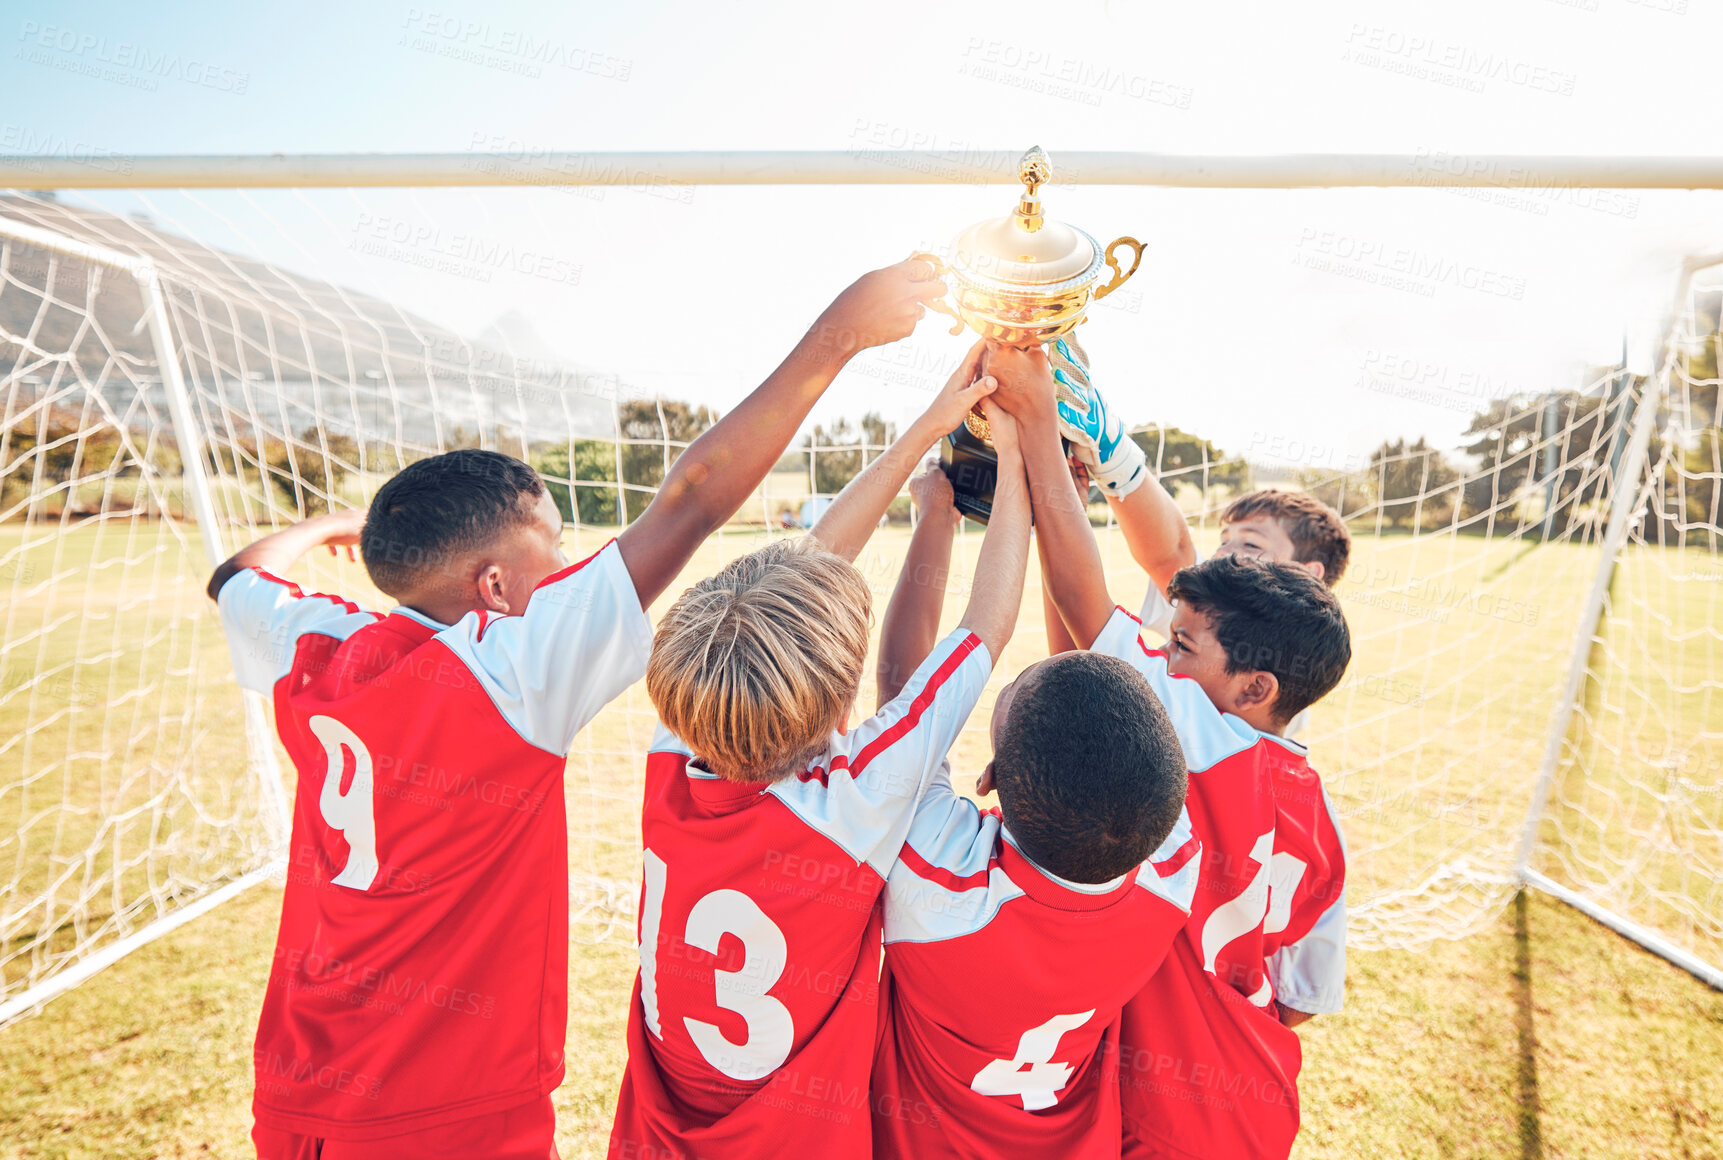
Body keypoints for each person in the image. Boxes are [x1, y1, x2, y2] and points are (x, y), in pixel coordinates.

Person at [211, 258, 948, 1160]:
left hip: (297, 1092)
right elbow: (691, 499)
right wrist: (839, 335)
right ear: (491, 585)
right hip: (444, 1113)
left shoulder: (315, 645)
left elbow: (237, 575)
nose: (566, 572)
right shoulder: (507, 671)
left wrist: (328, 533)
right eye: (551, 553)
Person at [608, 350, 1031, 1159]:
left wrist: (926, 440)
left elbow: (811, 565)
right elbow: (986, 627)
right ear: (841, 704)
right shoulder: (858, 795)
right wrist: (1016, 458)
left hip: (661, 1134)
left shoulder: (680, 743)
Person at [987, 343, 1352, 1160]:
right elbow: (1300, 998)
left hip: (1155, 1101)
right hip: (1248, 1098)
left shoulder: (1203, 730)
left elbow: (1088, 607)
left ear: (1253, 687)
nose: (1168, 660)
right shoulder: (1316, 812)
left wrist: (1043, 431)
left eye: (1179, 649)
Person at [866, 447, 1196, 1160]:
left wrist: (935, 518)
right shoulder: (1172, 863)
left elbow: (904, 701)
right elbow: (1084, 670)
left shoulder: (938, 887)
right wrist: (1058, 508)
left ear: (985, 780)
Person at [1043, 338, 1351, 739]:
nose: (1225, 553)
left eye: (1251, 545)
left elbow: (1171, 556)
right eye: (1225, 540)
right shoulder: (1207, 645)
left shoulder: (1252, 687)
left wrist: (1105, 448)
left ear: (1308, 574)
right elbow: (1074, 658)